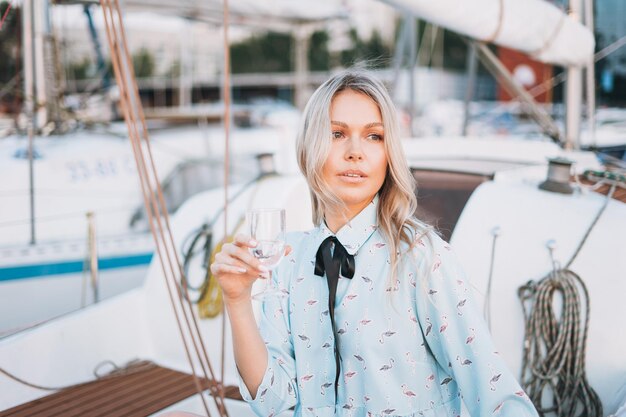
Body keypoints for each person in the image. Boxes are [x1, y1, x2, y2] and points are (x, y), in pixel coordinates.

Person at [210, 70, 539, 417]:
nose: (355, 152)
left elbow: (495, 393)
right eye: (337, 134)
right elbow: (274, 404)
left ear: (388, 153)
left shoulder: (422, 257)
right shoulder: (288, 260)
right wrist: (237, 300)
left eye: (373, 137)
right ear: (310, 147)